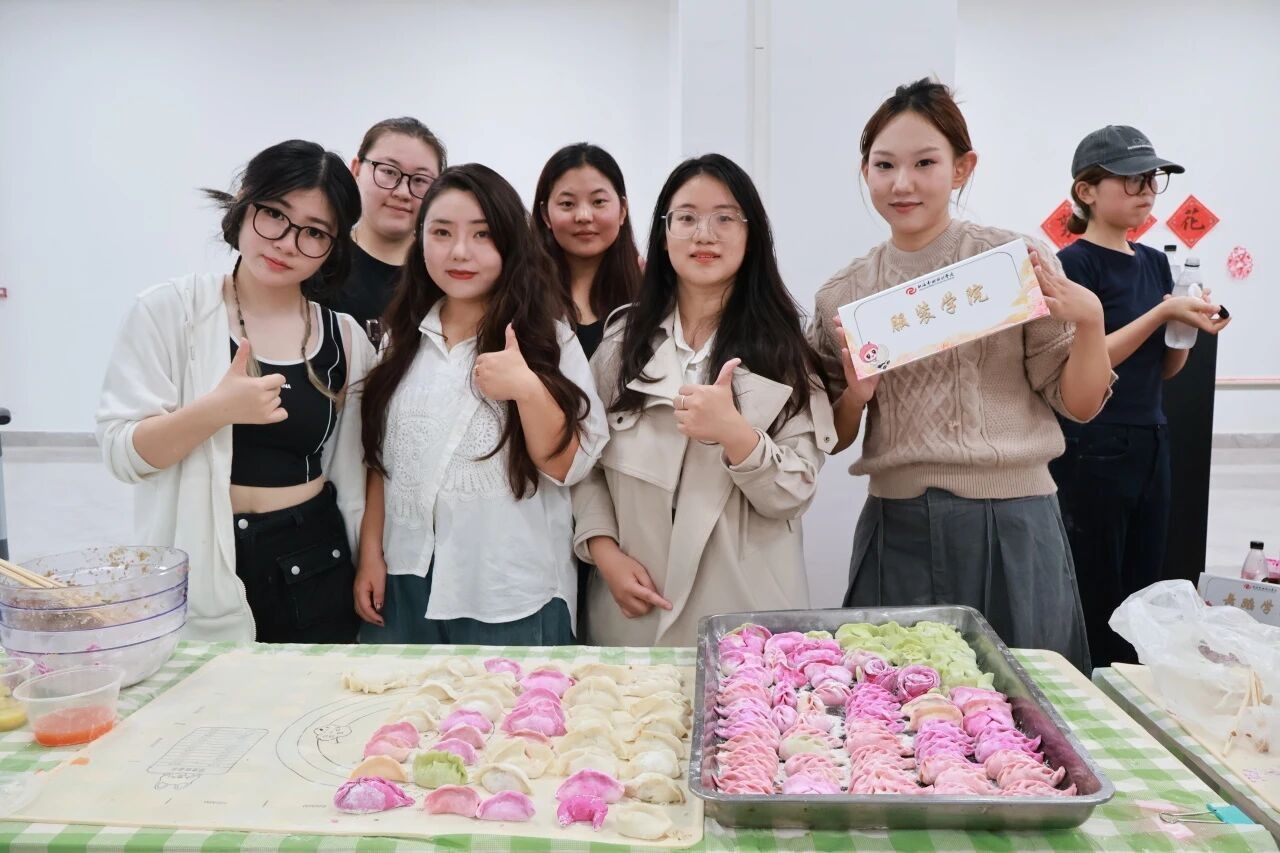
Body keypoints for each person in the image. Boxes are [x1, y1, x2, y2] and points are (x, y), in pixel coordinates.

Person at [809, 79, 1114, 671]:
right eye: (884, 165)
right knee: (894, 704)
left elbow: (1077, 404)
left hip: (1014, 520)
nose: (902, 183)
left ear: (961, 168)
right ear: (866, 172)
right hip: (897, 525)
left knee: (1025, 703)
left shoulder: (1014, 262)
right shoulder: (843, 295)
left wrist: (1092, 322)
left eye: (925, 162)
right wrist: (856, 396)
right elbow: (834, 436)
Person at [97, 140, 373, 642]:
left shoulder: (346, 339)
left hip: (314, 558)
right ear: (244, 205)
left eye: (314, 232)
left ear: (334, 247)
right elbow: (123, 455)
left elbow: (355, 477)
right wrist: (216, 411)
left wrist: (366, 563)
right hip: (203, 555)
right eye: (275, 215)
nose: (287, 243)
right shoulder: (169, 311)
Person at [573, 153, 835, 647]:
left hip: (745, 617)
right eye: (687, 218)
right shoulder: (621, 345)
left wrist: (736, 435)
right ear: (664, 233)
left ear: (751, 235)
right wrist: (604, 552)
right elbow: (585, 465)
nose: (704, 235)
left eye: (725, 218)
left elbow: (794, 493)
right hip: (633, 607)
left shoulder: (785, 353)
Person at [354, 164, 607, 644]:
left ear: (510, 243)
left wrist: (527, 388)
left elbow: (567, 465)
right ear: (420, 241)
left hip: (507, 587)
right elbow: (383, 461)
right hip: (405, 575)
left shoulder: (548, 339)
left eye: (482, 234)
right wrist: (371, 554)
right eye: (441, 232)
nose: (459, 252)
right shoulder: (401, 340)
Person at [1050, 125, 1229, 667]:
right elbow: (1085, 361)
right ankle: (1092, 685)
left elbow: (1167, 369)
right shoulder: (1072, 265)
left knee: (1144, 585)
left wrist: (1186, 326)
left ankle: (1132, 686)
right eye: (1131, 180)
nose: (1147, 191)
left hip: (1151, 437)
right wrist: (1162, 312)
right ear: (1086, 191)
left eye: (1151, 180)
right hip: (1093, 442)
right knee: (1096, 582)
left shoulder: (1153, 263)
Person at [312, 117, 447, 336]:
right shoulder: (316, 259)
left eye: (420, 180)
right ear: (356, 170)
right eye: (389, 171)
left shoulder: (446, 275)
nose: (402, 192)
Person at [531, 142, 642, 359]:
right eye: (567, 204)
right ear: (545, 215)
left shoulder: (648, 293)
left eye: (598, 202)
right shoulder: (522, 295)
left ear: (622, 210)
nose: (583, 216)